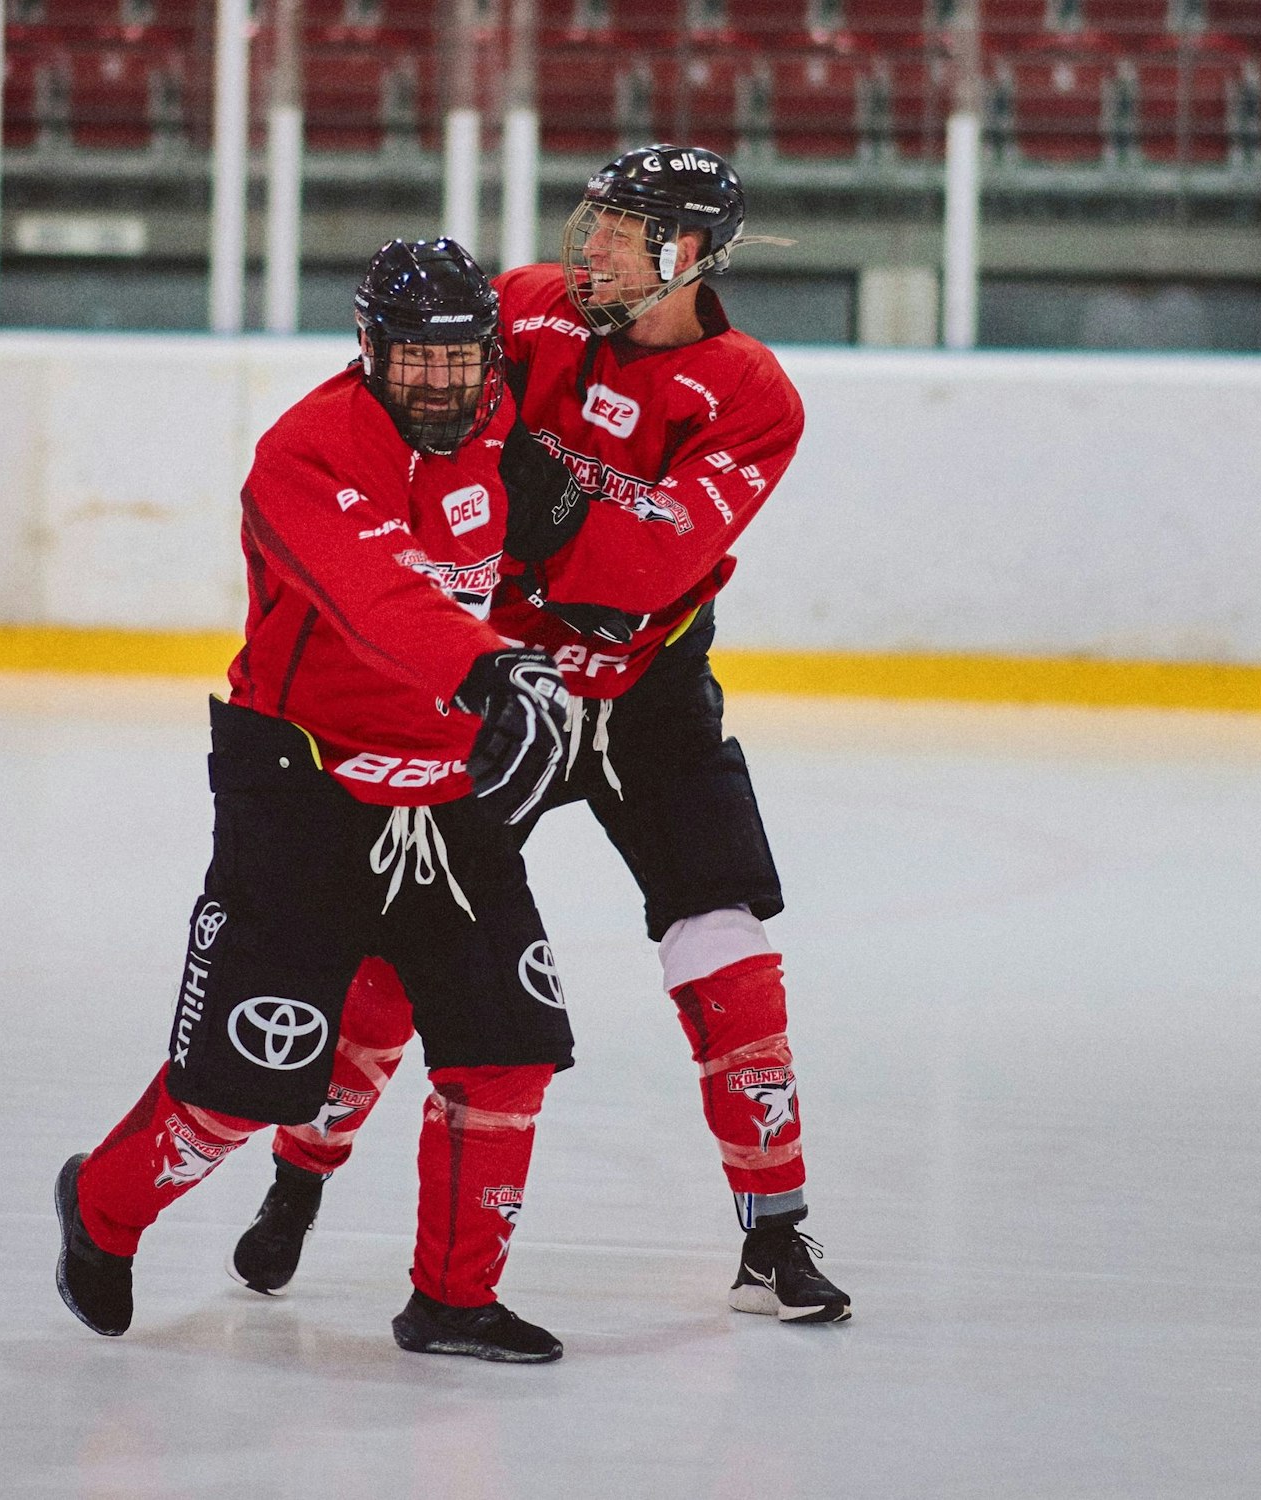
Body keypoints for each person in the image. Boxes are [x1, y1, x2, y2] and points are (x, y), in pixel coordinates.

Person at [229, 145, 852, 1325]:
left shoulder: (751, 395)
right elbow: (411, 447)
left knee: (722, 940)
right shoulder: (521, 307)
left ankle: (775, 1231)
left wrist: (547, 506)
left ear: (693, 254)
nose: (595, 246)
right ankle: (297, 1182)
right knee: (399, 951)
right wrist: (534, 524)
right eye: (597, 219)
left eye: (630, 230)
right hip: (506, 687)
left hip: (652, 699)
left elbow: (640, 568)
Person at [52, 238, 585, 1364]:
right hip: (302, 791)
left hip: (450, 798)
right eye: (412, 362)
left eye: (459, 361)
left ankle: (451, 1299)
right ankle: (101, 1209)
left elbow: (575, 306)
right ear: (368, 351)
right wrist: (494, 671)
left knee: (507, 1050)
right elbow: (377, 598)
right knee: (243, 1087)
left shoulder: (502, 430)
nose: (437, 385)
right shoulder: (304, 451)